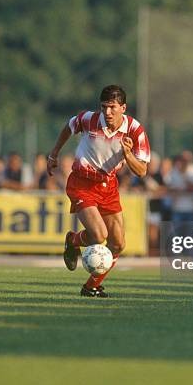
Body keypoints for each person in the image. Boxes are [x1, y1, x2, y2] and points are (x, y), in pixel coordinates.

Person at [46, 85, 150, 298]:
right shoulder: (89, 119)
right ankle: (75, 241)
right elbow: (68, 126)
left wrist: (128, 155)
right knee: (99, 235)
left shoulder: (135, 130)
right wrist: (54, 154)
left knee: (118, 244)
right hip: (82, 182)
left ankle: (90, 286)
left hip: (108, 186)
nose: (108, 112)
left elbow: (142, 171)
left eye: (112, 107)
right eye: (104, 107)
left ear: (123, 107)